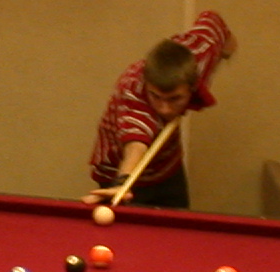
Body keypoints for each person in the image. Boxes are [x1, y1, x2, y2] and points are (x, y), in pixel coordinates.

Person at [82, 11, 236, 210]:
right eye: (156, 97)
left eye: (175, 99)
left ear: (191, 85)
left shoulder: (202, 52)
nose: (164, 108)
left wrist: (227, 50)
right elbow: (136, 144)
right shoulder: (134, 95)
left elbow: (212, 21)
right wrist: (121, 183)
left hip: (167, 166)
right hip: (120, 171)